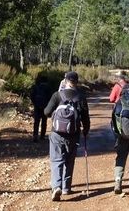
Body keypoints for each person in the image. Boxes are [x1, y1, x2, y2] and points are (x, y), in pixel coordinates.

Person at [44, 71, 90, 201]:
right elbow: (85, 117)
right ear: (76, 81)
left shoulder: (57, 95)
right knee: (70, 160)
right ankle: (66, 188)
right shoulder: (81, 97)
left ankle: (56, 186)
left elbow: (46, 112)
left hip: (57, 133)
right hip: (73, 134)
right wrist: (86, 130)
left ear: (65, 80)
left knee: (57, 160)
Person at [30, 75, 52, 142]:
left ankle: (35, 135)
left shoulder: (36, 87)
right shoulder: (48, 87)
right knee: (44, 121)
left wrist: (34, 103)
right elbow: (50, 97)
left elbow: (32, 96)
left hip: (37, 106)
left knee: (36, 121)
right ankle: (42, 136)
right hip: (45, 106)